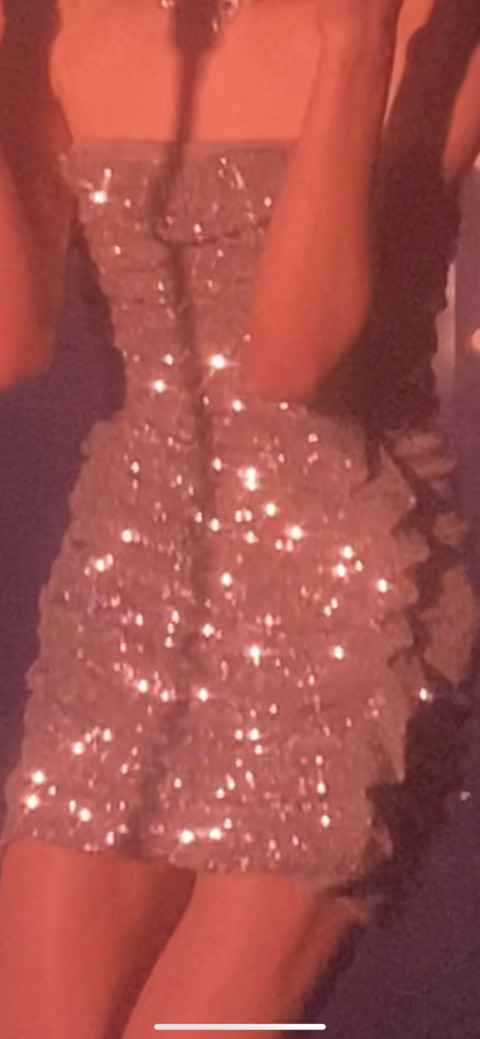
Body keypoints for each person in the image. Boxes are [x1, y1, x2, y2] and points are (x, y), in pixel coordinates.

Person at [0, 0, 479, 1036]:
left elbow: (295, 355)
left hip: (348, 602)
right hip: (130, 580)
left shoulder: (432, 27)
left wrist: (352, 43)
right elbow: (10, 334)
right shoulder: (51, 25)